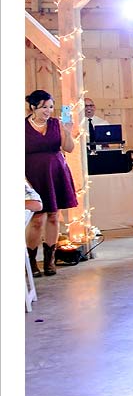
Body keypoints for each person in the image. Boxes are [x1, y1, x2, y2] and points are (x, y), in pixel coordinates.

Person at [25, 90, 78, 277]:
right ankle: (30, 261)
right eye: (43, 107)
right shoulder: (22, 126)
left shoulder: (57, 124)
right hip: (33, 176)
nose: (48, 111)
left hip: (56, 173)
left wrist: (67, 132)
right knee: (37, 218)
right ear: (33, 107)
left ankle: (50, 259)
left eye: (50, 107)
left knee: (54, 216)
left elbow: (69, 149)